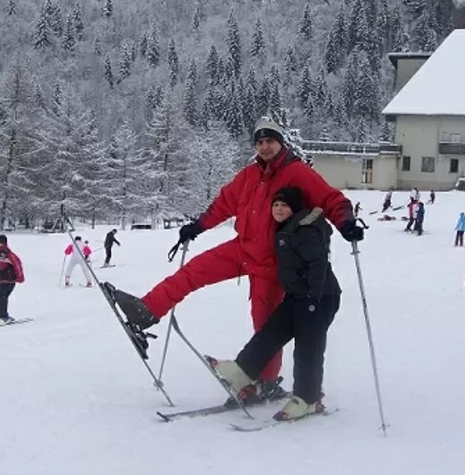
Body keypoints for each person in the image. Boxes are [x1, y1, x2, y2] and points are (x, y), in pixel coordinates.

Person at [109, 117, 361, 405]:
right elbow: (224, 203)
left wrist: (346, 222)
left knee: (264, 323)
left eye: (270, 141)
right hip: (242, 249)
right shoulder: (249, 175)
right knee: (193, 271)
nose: (265, 147)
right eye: (260, 142)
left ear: (281, 143)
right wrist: (199, 225)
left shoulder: (297, 173)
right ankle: (146, 312)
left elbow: (331, 200)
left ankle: (264, 382)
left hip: (273, 262)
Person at [208, 187, 341, 420]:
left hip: (318, 299)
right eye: (275, 205)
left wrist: (313, 299)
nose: (278, 209)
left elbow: (319, 265)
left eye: (284, 205)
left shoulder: (304, 231)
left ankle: (308, 399)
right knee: (271, 332)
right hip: (297, 296)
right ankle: (241, 372)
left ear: (294, 208)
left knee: (308, 349)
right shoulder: (288, 229)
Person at [0, 234, 25, 326]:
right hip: (3, 279)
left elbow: (17, 264)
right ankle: (3, 316)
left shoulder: (8, 253)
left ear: (3, 243)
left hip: (9, 279)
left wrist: (20, 277)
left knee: (1, 296)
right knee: (0, 296)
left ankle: (2, 317)